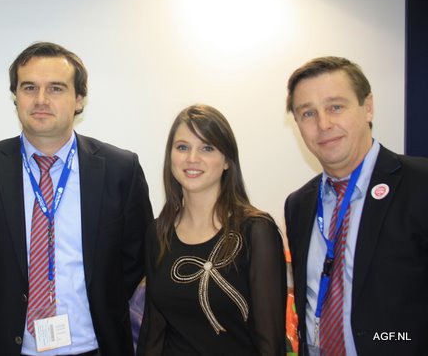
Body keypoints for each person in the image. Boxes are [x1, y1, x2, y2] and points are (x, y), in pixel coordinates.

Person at [0, 41, 153, 356]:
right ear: (15, 96)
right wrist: (3, 304)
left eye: (56, 88)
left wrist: (103, 300)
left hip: (97, 346)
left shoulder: (119, 169)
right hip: (12, 348)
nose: (41, 99)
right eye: (29, 87)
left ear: (79, 99)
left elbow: (136, 255)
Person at [285, 56, 428, 355]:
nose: (323, 124)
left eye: (335, 107)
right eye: (308, 113)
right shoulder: (298, 205)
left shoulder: (419, 185)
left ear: (368, 107)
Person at [137, 104, 286, 356]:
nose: (192, 158)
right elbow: (154, 329)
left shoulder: (256, 231)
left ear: (227, 160)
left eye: (207, 148)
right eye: (182, 147)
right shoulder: (158, 233)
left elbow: (270, 342)